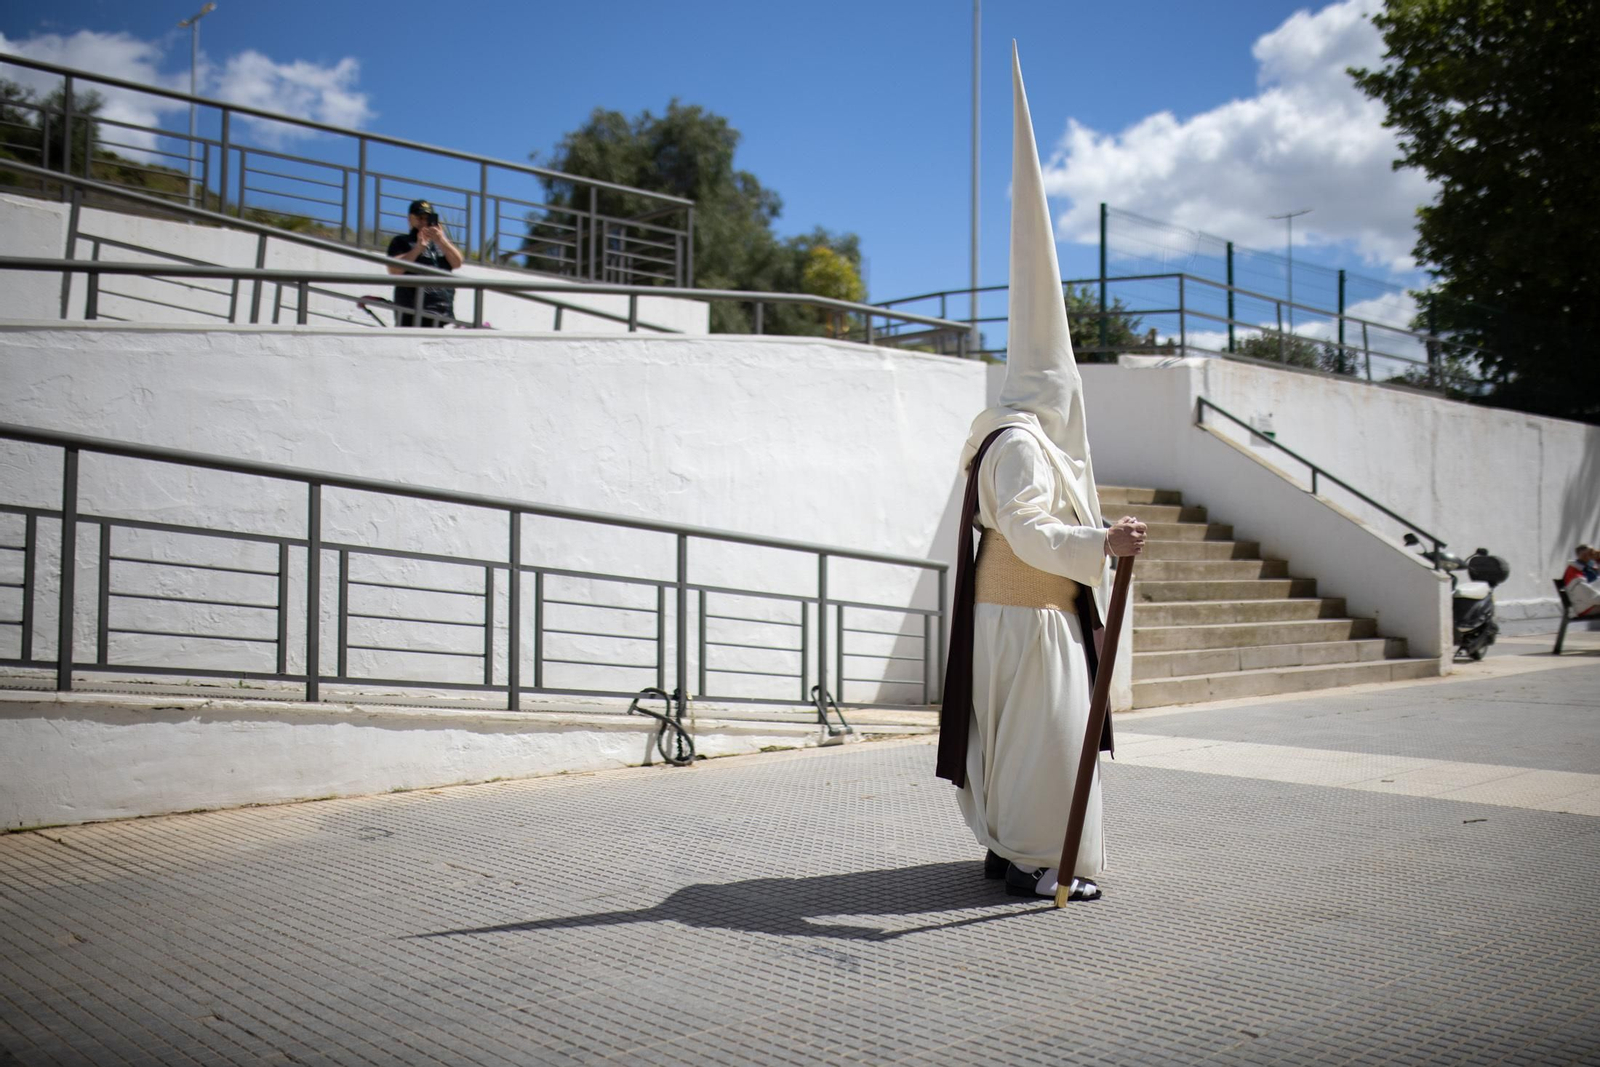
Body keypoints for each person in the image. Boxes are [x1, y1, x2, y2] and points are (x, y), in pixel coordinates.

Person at [936, 45, 1145, 904]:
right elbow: (1026, 529)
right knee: (1045, 740)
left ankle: (1010, 845)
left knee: (1033, 738)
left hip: (1027, 611)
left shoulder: (1017, 433)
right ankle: (1034, 857)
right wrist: (1103, 540)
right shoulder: (1019, 440)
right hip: (1026, 612)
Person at [386, 199, 463, 327]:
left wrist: (441, 239)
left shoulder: (440, 245)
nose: (423, 222)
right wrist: (418, 248)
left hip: (440, 312)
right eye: (419, 217)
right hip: (411, 311)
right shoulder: (401, 241)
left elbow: (457, 262)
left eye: (427, 218)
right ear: (411, 219)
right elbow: (394, 270)